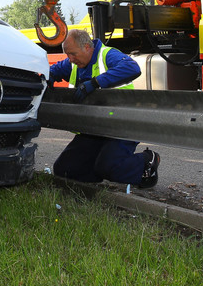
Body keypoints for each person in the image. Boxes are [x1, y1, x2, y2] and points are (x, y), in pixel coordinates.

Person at [49, 29, 160, 189]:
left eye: (73, 54)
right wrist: (47, 77)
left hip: (121, 125)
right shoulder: (74, 62)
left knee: (110, 167)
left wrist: (96, 82)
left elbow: (132, 67)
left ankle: (146, 160)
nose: (70, 59)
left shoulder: (107, 55)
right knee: (64, 170)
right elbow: (54, 70)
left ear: (87, 47)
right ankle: (101, 169)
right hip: (94, 129)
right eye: (68, 55)